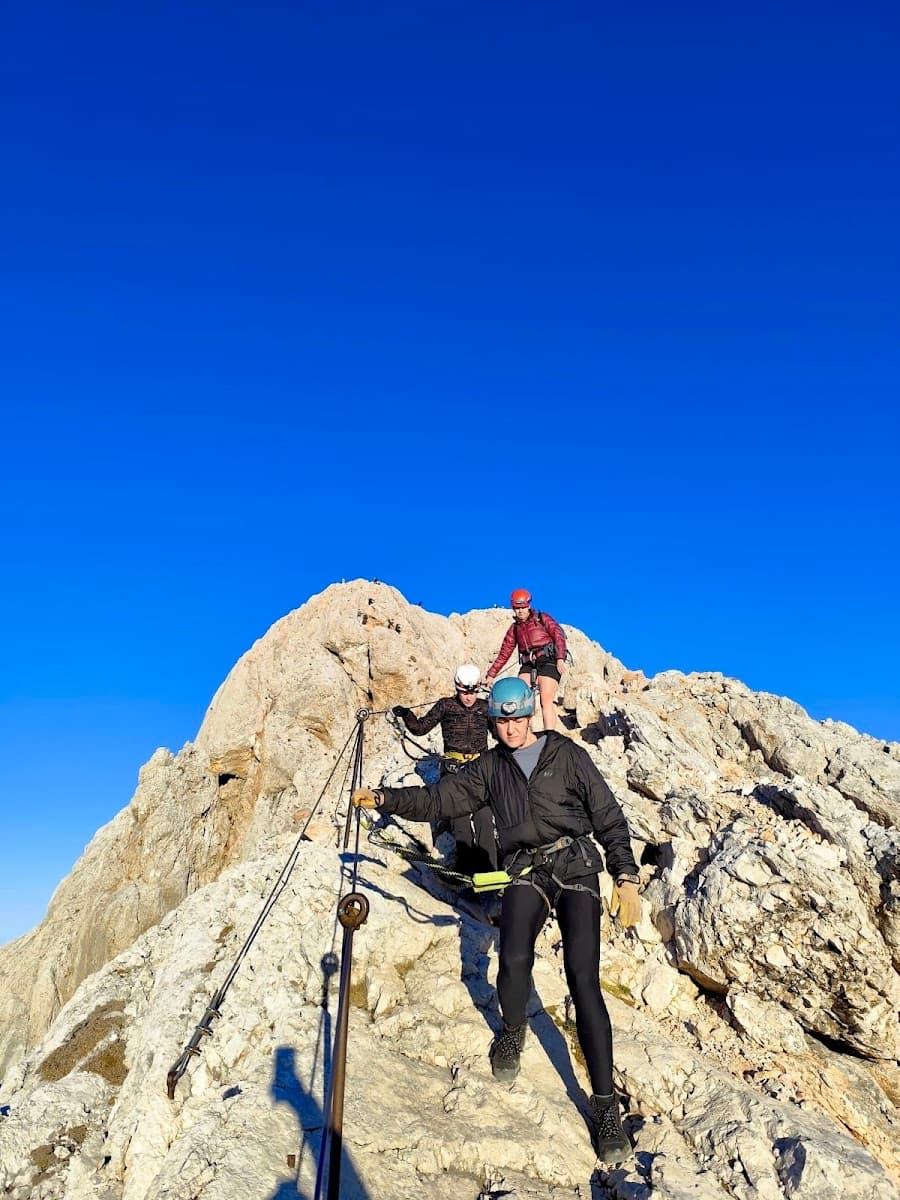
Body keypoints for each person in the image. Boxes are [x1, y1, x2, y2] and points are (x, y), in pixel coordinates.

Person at [354, 676, 642, 1164]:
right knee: (512, 956)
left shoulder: (568, 756)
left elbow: (609, 816)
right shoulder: (490, 769)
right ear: (493, 722)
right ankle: (512, 1029)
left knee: (583, 980)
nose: (509, 728)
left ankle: (606, 1106)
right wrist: (385, 799)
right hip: (526, 870)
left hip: (575, 868)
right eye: (501, 720)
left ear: (529, 715)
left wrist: (626, 874)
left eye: (516, 718)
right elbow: (439, 800)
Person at [391, 663, 496, 875]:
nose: (468, 697)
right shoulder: (445, 706)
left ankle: (491, 869)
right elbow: (420, 728)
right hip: (453, 771)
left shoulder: (485, 707)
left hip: (479, 771)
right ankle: (466, 872)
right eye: (464, 692)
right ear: (456, 688)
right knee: (460, 822)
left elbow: (500, 733)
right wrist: (407, 715)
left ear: (478, 688)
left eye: (473, 691)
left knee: (484, 817)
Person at [485, 588, 567, 731]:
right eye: (517, 608)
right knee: (518, 696)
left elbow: (558, 635)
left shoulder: (542, 618)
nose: (520, 611)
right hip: (528, 663)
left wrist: (560, 657)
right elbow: (505, 652)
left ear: (528, 605)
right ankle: (522, 734)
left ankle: (550, 737)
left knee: (545, 701)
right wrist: (491, 674)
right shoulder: (514, 628)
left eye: (522, 607)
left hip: (548, 660)